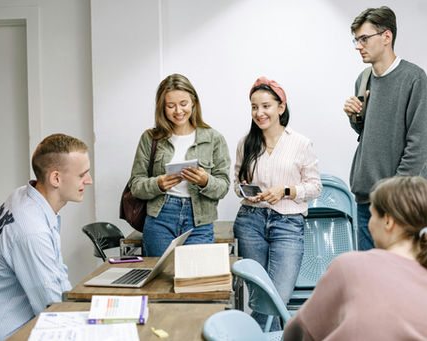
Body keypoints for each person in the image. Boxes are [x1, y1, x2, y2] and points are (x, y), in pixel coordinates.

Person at [283, 176, 427, 341]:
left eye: (372, 216)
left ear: (388, 221)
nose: (369, 224)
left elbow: (299, 331)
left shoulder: (349, 266)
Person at [343, 6, 427, 250]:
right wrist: (355, 117)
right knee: (370, 281)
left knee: (405, 282)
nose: (358, 45)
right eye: (356, 39)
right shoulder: (363, 79)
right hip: (367, 201)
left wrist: (392, 193)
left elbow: (420, 143)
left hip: (403, 202)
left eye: (364, 38)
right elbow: (370, 134)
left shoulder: (414, 78)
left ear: (387, 37)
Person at [233, 76, 322, 331]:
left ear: (281, 107)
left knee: (276, 298)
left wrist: (285, 190)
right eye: (254, 107)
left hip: (288, 224)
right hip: (250, 222)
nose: (259, 113)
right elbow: (236, 185)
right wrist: (246, 191)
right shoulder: (246, 143)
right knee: (260, 297)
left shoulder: (301, 143)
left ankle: (250, 335)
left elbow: (315, 187)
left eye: (266, 106)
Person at [0, 134, 93, 339]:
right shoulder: (32, 231)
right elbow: (52, 309)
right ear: (56, 178)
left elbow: (56, 277)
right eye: (82, 175)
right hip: (14, 331)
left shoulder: (24, 195)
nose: (89, 180)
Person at [129, 73, 231, 257]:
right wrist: (158, 184)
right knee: (159, 281)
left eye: (183, 103)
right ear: (162, 107)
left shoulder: (214, 138)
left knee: (195, 280)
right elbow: (136, 185)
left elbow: (223, 187)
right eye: (170, 105)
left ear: (193, 102)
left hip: (199, 220)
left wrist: (205, 181)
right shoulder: (150, 138)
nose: (178, 111)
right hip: (160, 218)